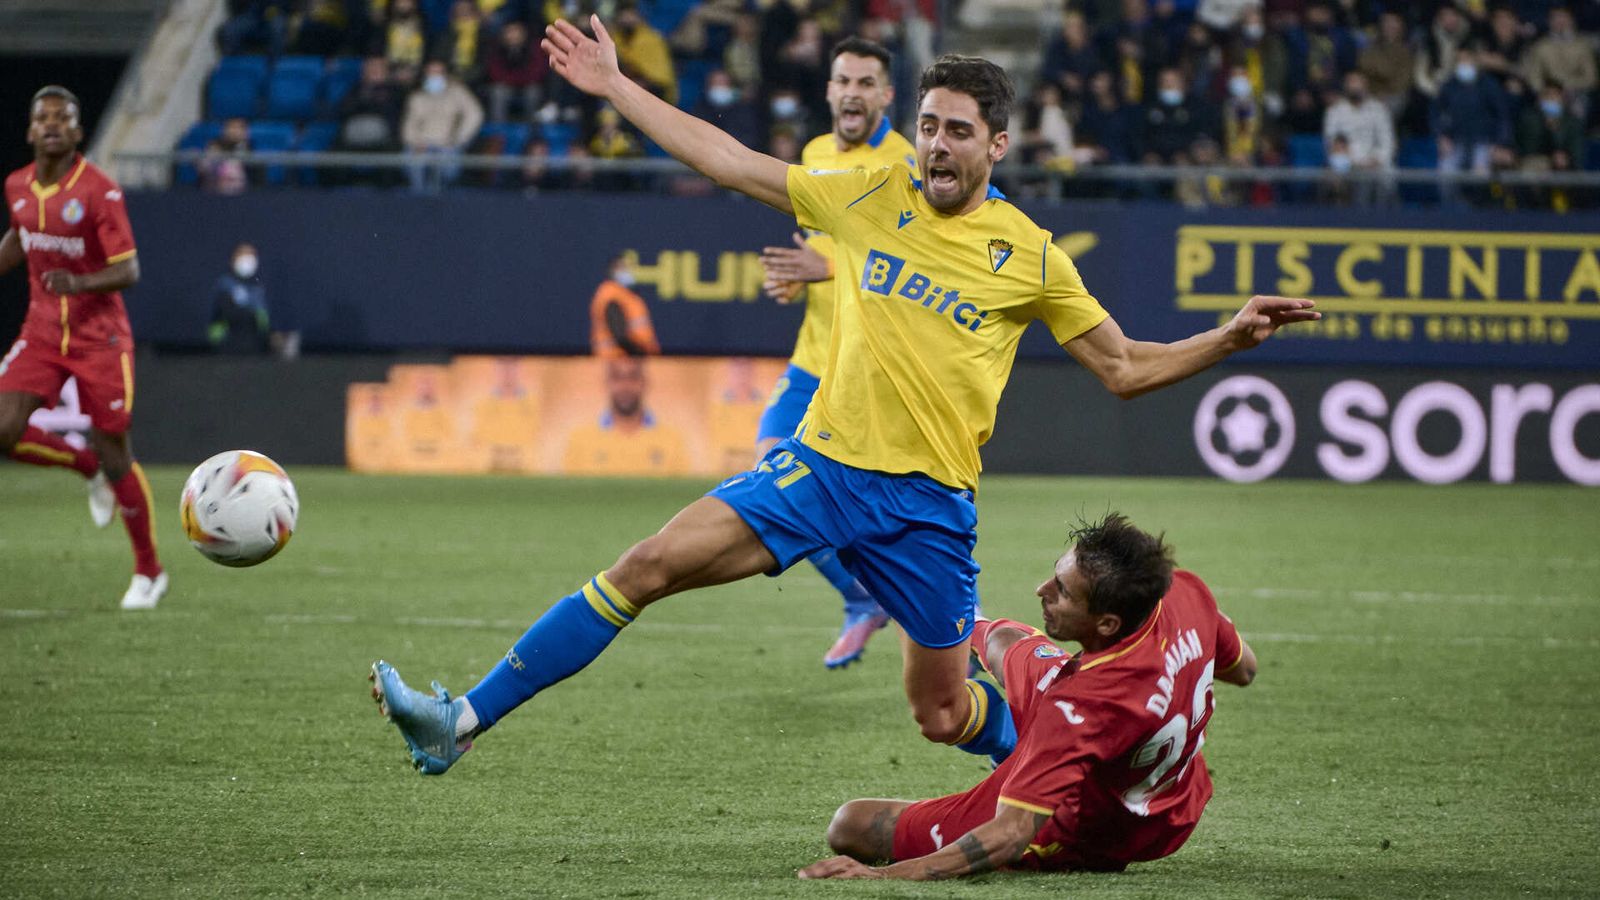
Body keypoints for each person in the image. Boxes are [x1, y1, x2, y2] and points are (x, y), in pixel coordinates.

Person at [367, 17, 1313, 780]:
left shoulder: (1029, 253)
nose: (936, 145)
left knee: (942, 712)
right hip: (819, 468)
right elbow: (732, 163)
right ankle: (459, 721)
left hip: (927, 508)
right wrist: (616, 87)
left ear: (998, 144)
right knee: (648, 563)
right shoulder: (867, 189)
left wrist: (1228, 337)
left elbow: (1125, 368)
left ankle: (1040, 755)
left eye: (957, 131)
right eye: (929, 124)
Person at [798, 513, 1257, 881]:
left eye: (1062, 592)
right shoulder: (1184, 593)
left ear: (1108, 625)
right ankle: (944, 620)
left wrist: (885, 878)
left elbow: (1009, 835)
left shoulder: (1080, 707)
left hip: (1089, 826)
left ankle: (1013, 747)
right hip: (1177, 797)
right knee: (1003, 640)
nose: (1042, 590)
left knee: (851, 825)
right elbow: (1245, 670)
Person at [756, 37, 918, 670]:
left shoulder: (905, 163)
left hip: (865, 367)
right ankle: (861, 597)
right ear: (828, 90)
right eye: (842, 80)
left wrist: (822, 268)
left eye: (865, 81)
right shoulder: (816, 154)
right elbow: (827, 247)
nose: (852, 91)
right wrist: (801, 277)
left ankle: (949, 626)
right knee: (771, 462)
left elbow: (901, 265)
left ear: (886, 95)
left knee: (871, 508)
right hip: (811, 356)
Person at [0, 86, 168, 610]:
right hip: (43, 331)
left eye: (62, 118)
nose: (51, 124)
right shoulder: (17, 185)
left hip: (101, 338)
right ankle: (83, 467)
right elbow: (20, 235)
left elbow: (130, 269)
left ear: (78, 132)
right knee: (2, 428)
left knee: (116, 449)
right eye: (42, 117)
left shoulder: (100, 191)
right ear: (30, 130)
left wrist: (79, 283)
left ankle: (149, 570)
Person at [560, 357, 688, 476]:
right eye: (617, 377)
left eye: (633, 377)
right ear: (607, 383)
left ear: (644, 382)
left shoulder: (671, 440)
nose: (625, 386)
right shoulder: (580, 440)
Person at [401, 59, 485, 193]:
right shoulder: (417, 97)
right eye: (431, 72)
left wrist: (458, 140)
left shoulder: (458, 93)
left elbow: (475, 115)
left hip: (448, 144)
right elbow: (409, 126)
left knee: (448, 169)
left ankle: (442, 202)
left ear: (445, 74)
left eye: (438, 72)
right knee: (413, 160)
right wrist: (415, 142)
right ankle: (417, 199)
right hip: (422, 144)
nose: (434, 75)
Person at [588, 254, 659, 358]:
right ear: (613, 271)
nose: (628, 272)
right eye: (623, 268)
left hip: (627, 361)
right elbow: (620, 336)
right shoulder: (611, 297)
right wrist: (640, 354)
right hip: (616, 361)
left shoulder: (626, 295)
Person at [207, 242, 271, 354]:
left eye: (251, 257)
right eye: (243, 257)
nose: (247, 262)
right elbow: (226, 314)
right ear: (234, 260)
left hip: (254, 346)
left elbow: (263, 320)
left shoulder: (257, 287)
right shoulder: (225, 284)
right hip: (228, 346)